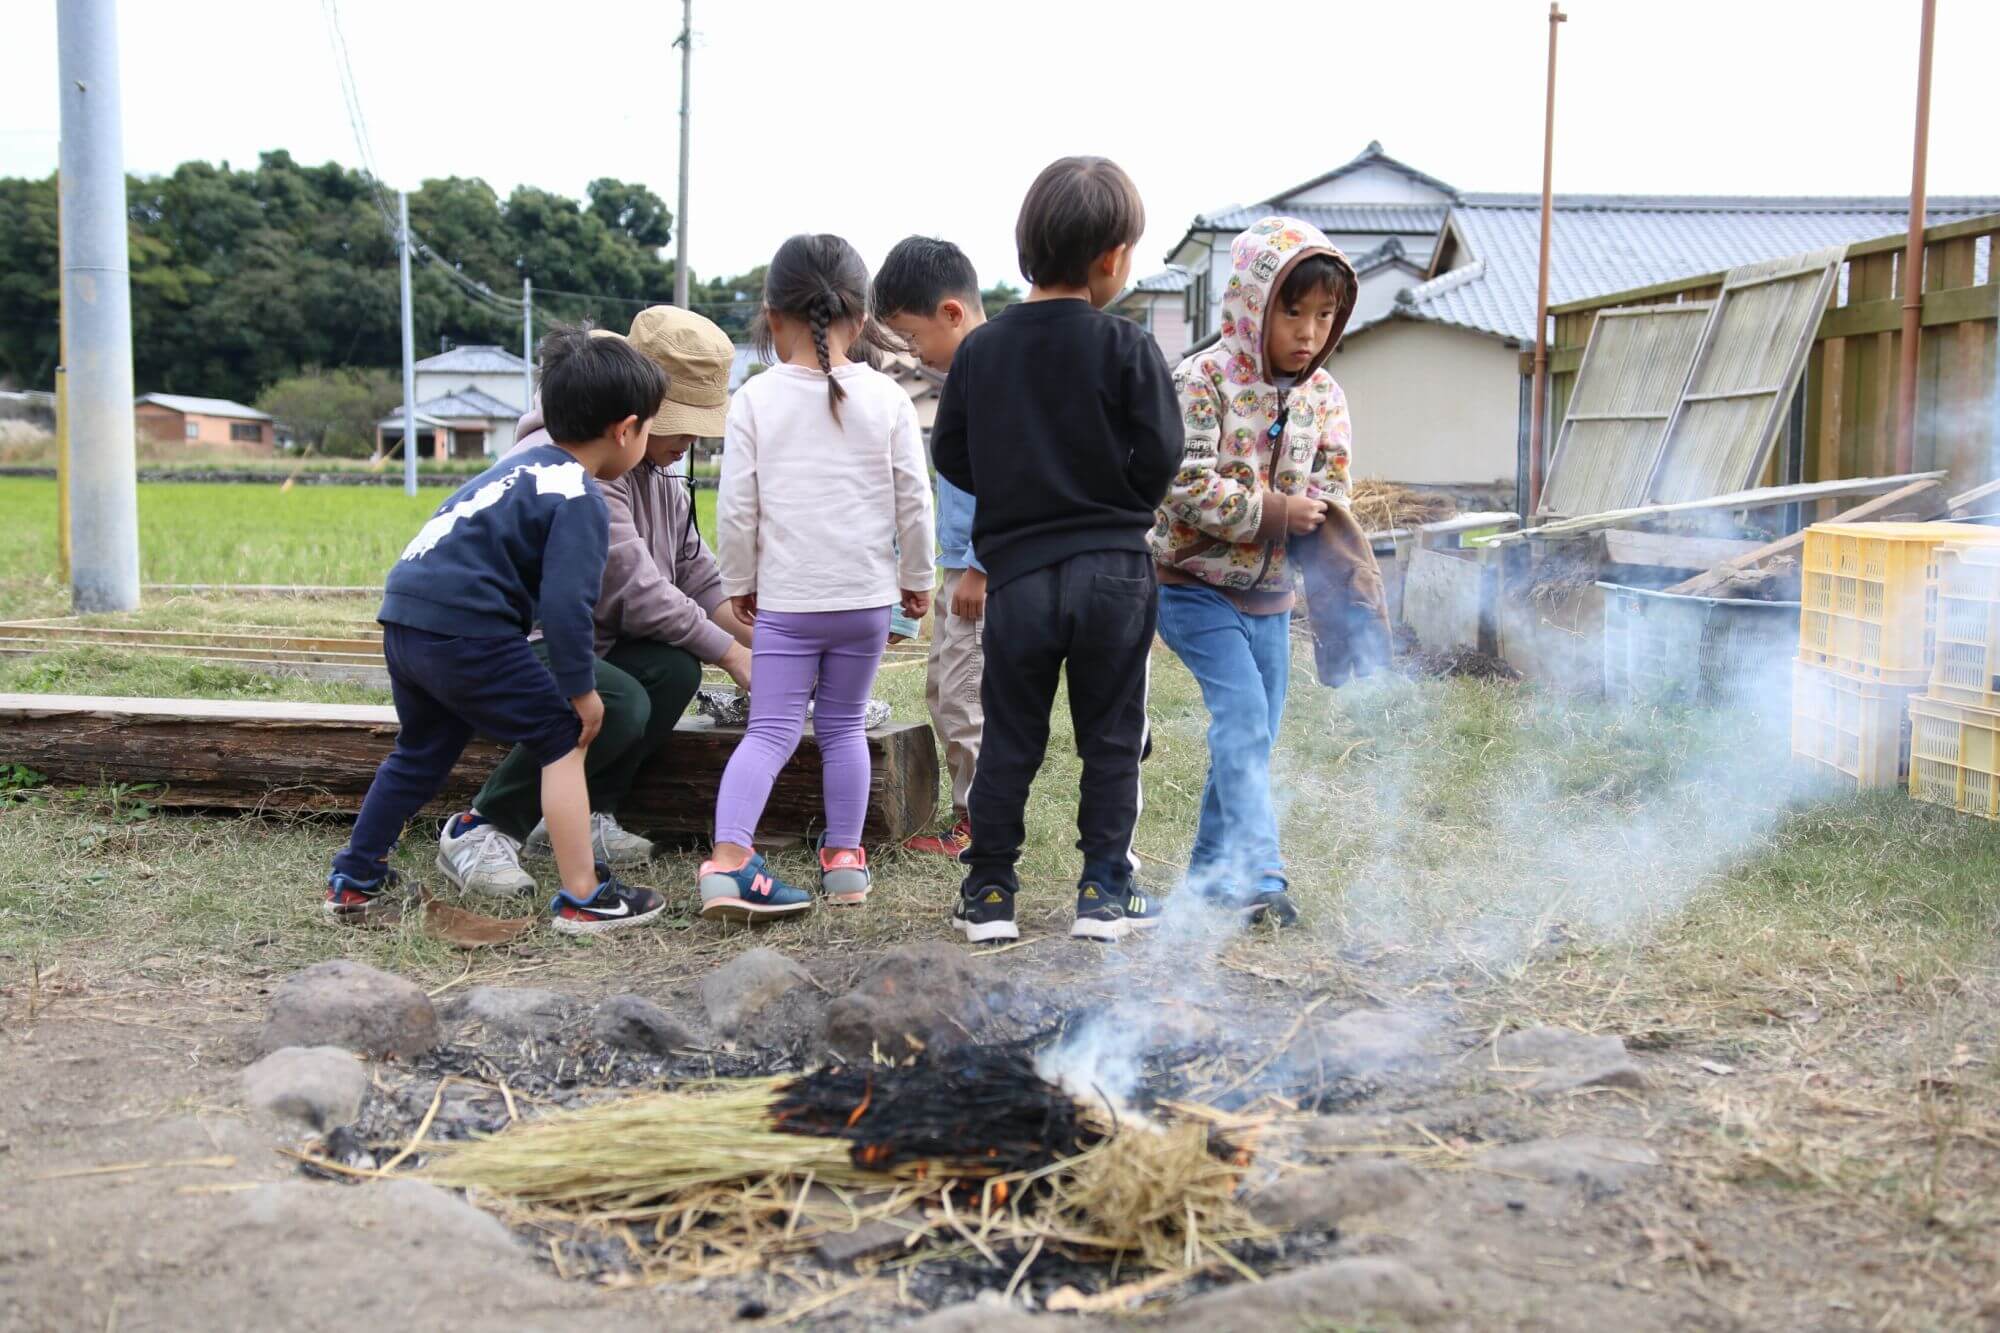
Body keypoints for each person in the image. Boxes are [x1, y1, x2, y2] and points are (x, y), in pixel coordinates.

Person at [324, 327, 669, 935]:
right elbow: (567, 608)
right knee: (562, 738)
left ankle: (356, 878)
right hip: (468, 629)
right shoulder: (578, 496)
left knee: (422, 748)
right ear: (626, 429)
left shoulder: (509, 472)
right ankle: (584, 896)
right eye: (649, 430)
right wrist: (581, 689)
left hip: (404, 618)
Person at [931, 156, 1184, 944]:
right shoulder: (1127, 347)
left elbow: (952, 454)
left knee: (1012, 732)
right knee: (1112, 733)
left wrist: (1014, 499)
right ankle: (1104, 891)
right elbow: (1165, 452)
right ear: (1111, 260)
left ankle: (991, 892)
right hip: (1113, 570)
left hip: (1021, 577)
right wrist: (1121, 506)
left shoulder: (981, 351)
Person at [434, 308, 755, 896]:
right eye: (681, 427)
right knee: (618, 699)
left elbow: (696, 573)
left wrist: (774, 645)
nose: (689, 444)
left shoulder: (655, 466)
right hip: (512, 642)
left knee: (672, 669)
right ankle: (484, 825)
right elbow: (633, 587)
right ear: (632, 416)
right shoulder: (575, 463)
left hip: (578, 639)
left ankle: (591, 812)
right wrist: (734, 656)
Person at [697, 233, 935, 922]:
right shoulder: (888, 399)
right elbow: (913, 498)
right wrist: (914, 579)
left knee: (769, 731)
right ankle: (845, 862)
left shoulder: (755, 400)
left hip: (788, 603)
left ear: (772, 318)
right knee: (842, 729)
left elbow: (737, 505)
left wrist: (738, 578)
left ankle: (730, 862)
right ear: (861, 317)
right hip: (864, 601)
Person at [1149, 217, 1359, 928]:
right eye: (1291, 312)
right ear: (1250, 306)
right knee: (1240, 719)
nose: (1308, 331)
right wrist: (1271, 511)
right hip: (1193, 586)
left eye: (1323, 315)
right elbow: (1179, 481)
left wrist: (1328, 538)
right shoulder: (1201, 380)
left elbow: (1333, 488)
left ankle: (1207, 879)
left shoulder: (1326, 395)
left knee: (1252, 738)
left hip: (1272, 599)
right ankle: (1262, 875)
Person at [873, 236, 988, 858]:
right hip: (958, 570)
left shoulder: (993, 374)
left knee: (966, 695)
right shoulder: (968, 377)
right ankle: (968, 809)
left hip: (979, 573)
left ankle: (979, 821)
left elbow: (1010, 480)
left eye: (914, 338)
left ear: (951, 313)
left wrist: (978, 567)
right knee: (945, 688)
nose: (915, 354)